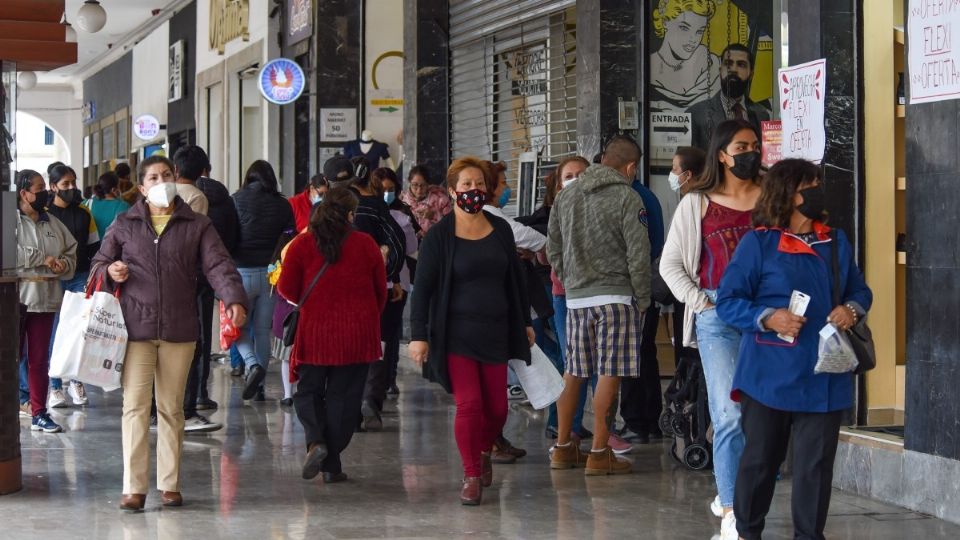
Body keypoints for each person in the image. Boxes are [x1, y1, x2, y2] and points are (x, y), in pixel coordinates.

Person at [716, 158, 872, 540]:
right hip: (769, 374)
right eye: (810, 184)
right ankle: (747, 532)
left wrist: (851, 309)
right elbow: (728, 301)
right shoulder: (759, 243)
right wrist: (769, 317)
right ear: (788, 193)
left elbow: (859, 289)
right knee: (760, 463)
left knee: (815, 468)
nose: (818, 191)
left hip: (825, 374)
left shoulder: (834, 241)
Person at [90, 155, 247, 511]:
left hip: (179, 328)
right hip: (136, 328)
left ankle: (170, 484)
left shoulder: (198, 225)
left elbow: (219, 265)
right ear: (142, 188)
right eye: (153, 177)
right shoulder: (125, 223)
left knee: (171, 409)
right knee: (134, 407)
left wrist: (233, 298)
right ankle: (134, 487)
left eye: (166, 175)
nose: (161, 181)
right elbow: (99, 262)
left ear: (175, 179)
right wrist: (110, 269)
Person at [409, 157, 534, 505]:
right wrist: (418, 335)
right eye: (466, 185)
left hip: (496, 331)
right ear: (452, 191)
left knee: (497, 408)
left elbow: (515, 280)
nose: (473, 190)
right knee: (470, 404)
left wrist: (524, 320)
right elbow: (423, 289)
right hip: (455, 335)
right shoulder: (438, 237)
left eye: (479, 184)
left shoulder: (501, 230)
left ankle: (482, 450)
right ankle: (471, 475)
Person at [660, 119, 762, 539]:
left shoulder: (771, 196)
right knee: (729, 413)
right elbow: (670, 265)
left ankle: (737, 495)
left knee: (761, 415)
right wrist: (701, 301)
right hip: (717, 314)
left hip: (766, 316)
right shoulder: (697, 202)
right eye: (741, 146)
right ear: (722, 153)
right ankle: (733, 513)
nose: (750, 152)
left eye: (754, 145)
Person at [547, 135, 651, 475]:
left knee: (574, 371)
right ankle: (599, 452)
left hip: (577, 300)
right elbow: (638, 254)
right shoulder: (627, 196)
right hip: (617, 299)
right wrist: (643, 299)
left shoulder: (567, 195)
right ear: (631, 166)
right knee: (609, 372)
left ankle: (563, 448)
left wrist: (573, 281)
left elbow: (554, 249)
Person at [277, 187, 387, 483]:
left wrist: (315, 302)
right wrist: (365, 315)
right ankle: (331, 464)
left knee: (309, 391)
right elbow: (380, 292)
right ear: (351, 213)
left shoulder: (302, 244)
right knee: (344, 398)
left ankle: (316, 441)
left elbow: (285, 289)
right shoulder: (366, 244)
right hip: (358, 334)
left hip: (315, 332)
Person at [523, 156, 595, 443]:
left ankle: (572, 426)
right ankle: (565, 427)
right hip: (562, 296)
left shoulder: (600, 209)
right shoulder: (554, 214)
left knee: (585, 364)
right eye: (569, 175)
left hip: (594, 295)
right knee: (572, 362)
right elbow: (548, 252)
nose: (575, 179)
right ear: (558, 184)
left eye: (581, 174)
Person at [173, 145, 234, 432]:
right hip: (195, 278)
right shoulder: (199, 197)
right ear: (203, 171)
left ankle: (164, 409)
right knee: (195, 340)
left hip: (169, 280)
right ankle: (191, 402)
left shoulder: (151, 200)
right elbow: (198, 241)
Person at [15, 169, 78, 433]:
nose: (45, 193)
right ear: (24, 193)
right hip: (15, 301)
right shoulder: (11, 222)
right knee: (10, 357)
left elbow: (71, 253)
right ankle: (15, 405)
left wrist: (63, 264)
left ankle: (39, 412)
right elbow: (9, 252)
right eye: (39, 188)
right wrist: (42, 257)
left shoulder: (52, 223)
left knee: (40, 360)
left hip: (46, 300)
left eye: (45, 188)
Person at [347, 157, 406, 431]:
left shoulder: (334, 207)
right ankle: (370, 399)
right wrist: (391, 276)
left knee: (349, 346)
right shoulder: (378, 207)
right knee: (377, 343)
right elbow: (396, 243)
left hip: (342, 291)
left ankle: (347, 404)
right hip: (377, 287)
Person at [232, 160, 296, 401]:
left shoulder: (236, 200)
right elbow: (291, 235)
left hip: (241, 273)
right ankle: (257, 386)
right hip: (271, 275)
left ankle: (252, 366)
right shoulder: (282, 204)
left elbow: (229, 234)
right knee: (262, 330)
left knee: (235, 326)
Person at [618, 167, 666, 445]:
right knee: (644, 355)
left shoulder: (634, 197)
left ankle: (637, 422)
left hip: (639, 288)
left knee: (632, 357)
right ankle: (649, 421)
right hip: (644, 286)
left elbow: (642, 249)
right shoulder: (645, 195)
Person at [45, 164, 99, 408]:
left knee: (78, 331)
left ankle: (77, 381)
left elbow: (94, 245)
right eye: (65, 184)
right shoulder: (45, 214)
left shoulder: (84, 214)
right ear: (53, 186)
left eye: (73, 183)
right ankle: (55, 386)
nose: (70, 188)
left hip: (79, 276)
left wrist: (92, 275)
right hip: (53, 279)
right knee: (55, 331)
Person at [374, 167, 421, 395]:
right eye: (383, 190)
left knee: (385, 332)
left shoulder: (367, 214)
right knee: (389, 332)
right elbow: (412, 248)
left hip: (393, 282)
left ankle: (382, 378)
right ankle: (384, 380)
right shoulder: (401, 216)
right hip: (396, 281)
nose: (387, 194)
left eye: (391, 190)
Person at [688, 43, 771, 152]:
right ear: (720, 70)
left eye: (741, 65)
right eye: (728, 64)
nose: (733, 69)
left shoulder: (761, 114)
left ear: (751, 74)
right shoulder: (696, 115)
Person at [650, 0, 719, 111]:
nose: (693, 39)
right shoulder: (649, 67)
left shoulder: (706, 60)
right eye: (684, 28)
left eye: (699, 31)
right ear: (665, 22)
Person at [400, 165, 452, 235]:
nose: (419, 190)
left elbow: (451, 225)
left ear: (428, 184)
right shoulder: (403, 202)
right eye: (415, 185)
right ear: (409, 183)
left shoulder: (441, 200)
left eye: (423, 185)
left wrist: (434, 216)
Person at [86, 172, 131, 239]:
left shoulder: (86, 203)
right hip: (111, 248)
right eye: (119, 186)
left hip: (90, 248)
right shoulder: (123, 206)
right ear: (113, 190)